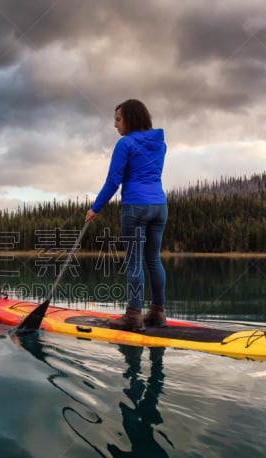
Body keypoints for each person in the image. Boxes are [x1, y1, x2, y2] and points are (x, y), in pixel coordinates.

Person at [85, 99, 168, 331]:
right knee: (153, 259)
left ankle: (133, 315)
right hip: (160, 206)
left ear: (130, 119)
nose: (115, 125)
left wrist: (96, 208)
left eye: (118, 120)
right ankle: (158, 313)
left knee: (134, 262)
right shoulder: (161, 145)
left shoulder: (125, 144)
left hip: (136, 207)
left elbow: (114, 180)